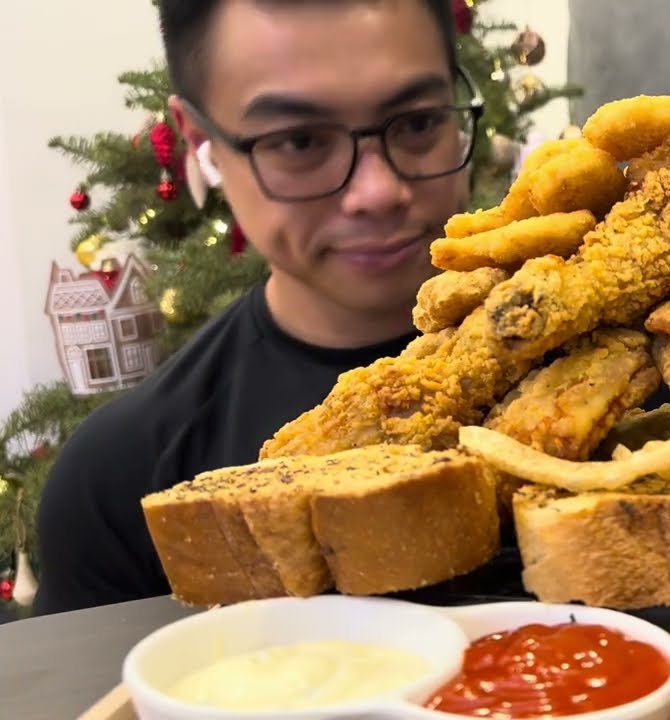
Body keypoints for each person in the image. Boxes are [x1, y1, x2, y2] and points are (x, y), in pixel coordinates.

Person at [34, 0, 475, 615]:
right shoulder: (121, 482)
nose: (378, 192)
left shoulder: (648, 369)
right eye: (299, 141)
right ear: (200, 142)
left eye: (420, 123)